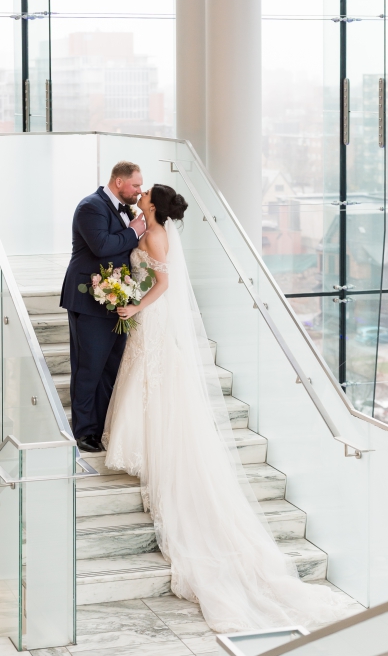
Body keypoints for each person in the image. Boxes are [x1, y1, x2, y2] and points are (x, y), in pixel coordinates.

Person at [103, 184, 346, 633]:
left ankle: (149, 444)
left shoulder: (156, 236)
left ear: (154, 203)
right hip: (147, 320)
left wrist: (134, 303)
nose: (141, 199)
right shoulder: (148, 228)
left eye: (146, 195)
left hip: (152, 317)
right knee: (145, 378)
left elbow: (164, 282)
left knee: (152, 379)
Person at [61, 161, 149, 453]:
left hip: (118, 300)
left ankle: (100, 429)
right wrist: (135, 230)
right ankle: (84, 432)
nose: (139, 191)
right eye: (135, 185)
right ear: (119, 182)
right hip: (88, 300)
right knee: (88, 369)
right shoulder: (91, 206)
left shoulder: (128, 210)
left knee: (110, 369)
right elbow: (101, 246)